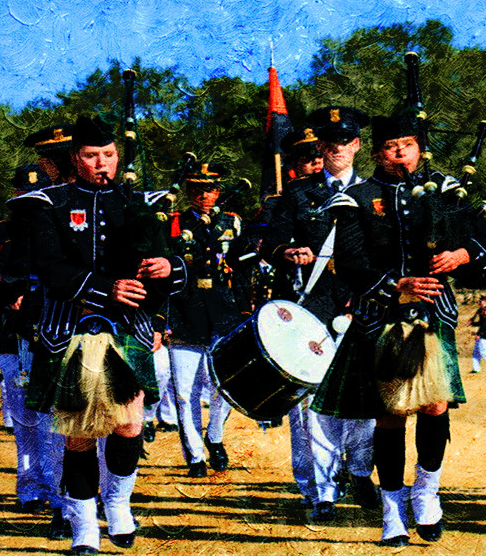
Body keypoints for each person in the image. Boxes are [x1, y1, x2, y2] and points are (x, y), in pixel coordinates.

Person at [310, 112, 486, 546]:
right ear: (377, 153)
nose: (400, 154)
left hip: (434, 314)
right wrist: (397, 286)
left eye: (408, 145)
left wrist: (463, 255)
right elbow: (351, 265)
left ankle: (427, 495)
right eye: (391, 147)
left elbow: (484, 238)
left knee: (435, 407)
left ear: (419, 149)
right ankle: (392, 509)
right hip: (382, 318)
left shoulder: (445, 190)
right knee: (391, 414)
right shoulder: (358, 198)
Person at [26, 115, 186, 554]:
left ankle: (117, 504)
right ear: (75, 158)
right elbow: (49, 268)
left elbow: (170, 262)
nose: (102, 163)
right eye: (92, 155)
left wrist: (168, 269)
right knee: (79, 431)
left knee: (129, 425)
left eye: (109, 154)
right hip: (70, 328)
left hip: (128, 329)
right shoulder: (49, 203)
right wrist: (103, 288)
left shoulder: (141, 203)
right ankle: (83, 526)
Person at [260, 111, 379, 522]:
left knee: (363, 401)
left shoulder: (374, 192)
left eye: (344, 142)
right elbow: (270, 243)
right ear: (321, 148)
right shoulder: (298, 195)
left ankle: (360, 471)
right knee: (313, 407)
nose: (336, 149)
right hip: (312, 310)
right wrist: (286, 252)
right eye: (328, 143)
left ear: (357, 145)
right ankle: (322, 489)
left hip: (363, 308)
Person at [0, 161, 69, 538]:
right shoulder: (5, 230)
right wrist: (4, 293)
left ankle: (58, 492)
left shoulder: (61, 227)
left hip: (52, 332)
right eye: (23, 191)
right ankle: (30, 485)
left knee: (52, 418)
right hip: (14, 335)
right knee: (23, 418)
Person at [165, 162, 251, 477]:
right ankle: (195, 455)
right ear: (189, 192)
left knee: (223, 385)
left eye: (210, 190)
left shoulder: (232, 222)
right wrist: (164, 318)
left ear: (218, 192)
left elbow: (242, 269)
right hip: (186, 312)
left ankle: (215, 436)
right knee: (184, 392)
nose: (204, 196)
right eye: (197, 190)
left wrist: (246, 310)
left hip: (225, 312)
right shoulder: (175, 223)